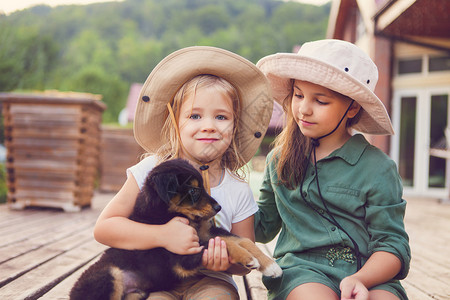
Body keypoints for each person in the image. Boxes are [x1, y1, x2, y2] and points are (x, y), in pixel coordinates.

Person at [94, 46, 273, 299]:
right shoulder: (152, 171)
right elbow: (104, 228)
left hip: (211, 280)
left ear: (235, 127)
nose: (209, 126)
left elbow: (245, 261)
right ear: (175, 122)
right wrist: (162, 235)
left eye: (221, 117)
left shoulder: (237, 187)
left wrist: (224, 262)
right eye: (195, 115)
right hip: (156, 281)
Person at [254, 39, 411, 300]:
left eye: (321, 101)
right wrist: (223, 191)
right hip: (302, 272)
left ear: (352, 108)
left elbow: (392, 245)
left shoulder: (378, 168)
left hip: (369, 273)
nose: (304, 109)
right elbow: (262, 226)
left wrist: (361, 279)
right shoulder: (278, 160)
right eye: (299, 95)